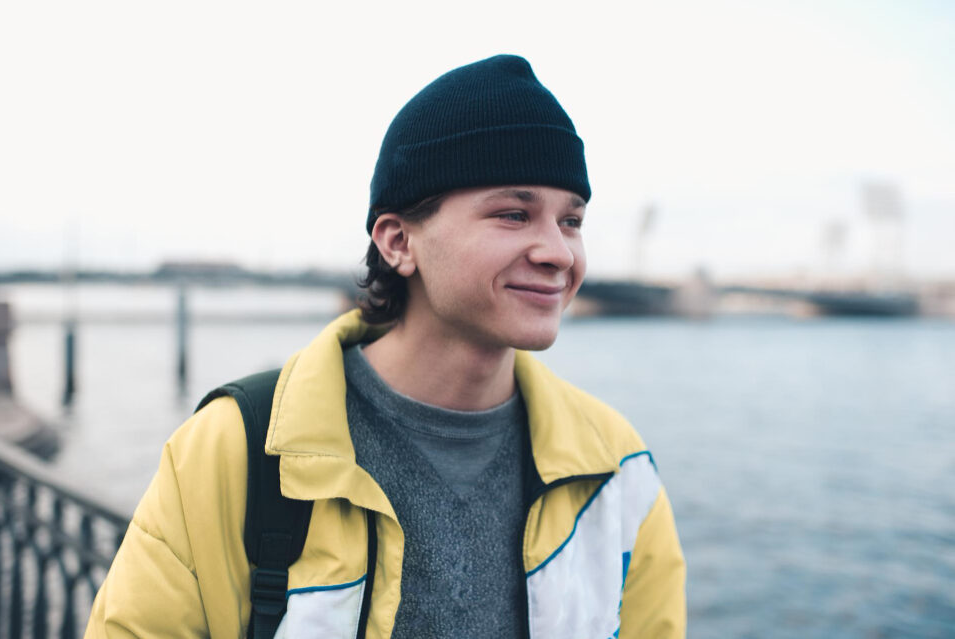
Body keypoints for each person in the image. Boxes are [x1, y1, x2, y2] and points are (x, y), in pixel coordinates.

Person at [85, 54, 685, 638]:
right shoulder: (237, 449)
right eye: (512, 214)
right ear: (397, 242)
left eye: (571, 221)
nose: (557, 252)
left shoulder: (616, 469)